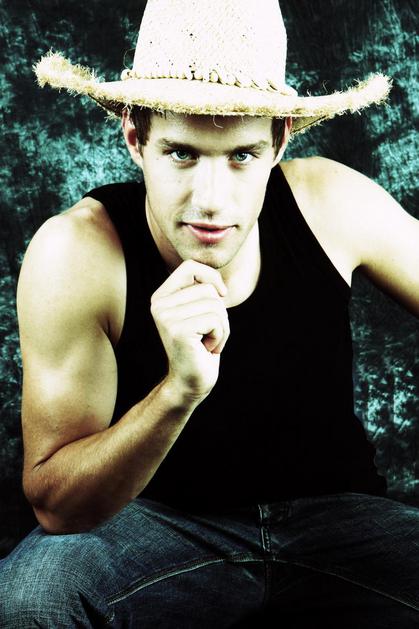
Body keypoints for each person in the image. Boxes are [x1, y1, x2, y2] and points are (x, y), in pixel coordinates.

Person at [1, 0, 418, 626]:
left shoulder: (330, 202)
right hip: (159, 528)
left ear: (279, 141)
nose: (211, 200)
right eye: (182, 154)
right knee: (33, 594)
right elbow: (57, 505)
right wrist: (177, 393)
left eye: (242, 156)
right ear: (136, 139)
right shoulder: (79, 252)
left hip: (344, 522)